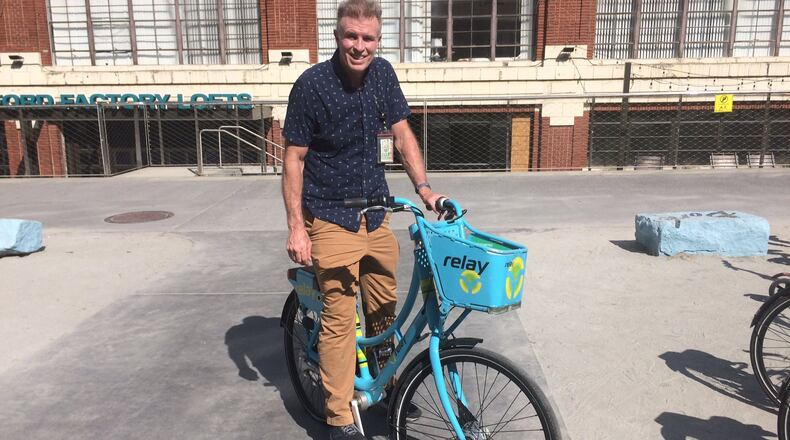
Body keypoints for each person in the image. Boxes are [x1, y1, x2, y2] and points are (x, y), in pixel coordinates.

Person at [281, 1, 446, 438]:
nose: (359, 45)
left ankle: (388, 388)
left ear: (378, 39)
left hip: (376, 215)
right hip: (331, 217)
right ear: (337, 36)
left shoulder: (383, 75)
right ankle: (339, 418)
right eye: (350, 36)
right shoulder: (311, 86)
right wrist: (297, 227)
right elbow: (294, 158)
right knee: (338, 320)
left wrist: (424, 189)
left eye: (367, 38)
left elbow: (403, 132)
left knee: (383, 309)